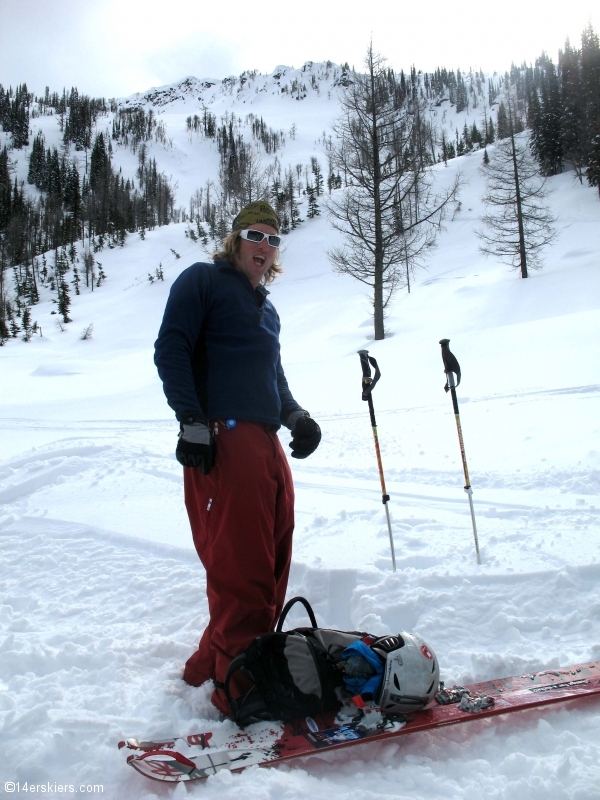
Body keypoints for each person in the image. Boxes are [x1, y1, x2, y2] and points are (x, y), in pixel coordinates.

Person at [154, 201, 321, 717]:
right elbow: (171, 347)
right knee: (240, 565)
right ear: (235, 238)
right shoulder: (203, 280)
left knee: (272, 560)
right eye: (256, 235)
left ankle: (217, 663)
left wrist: (296, 417)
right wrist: (192, 421)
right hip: (224, 438)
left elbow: (274, 376)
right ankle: (240, 688)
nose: (265, 247)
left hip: (266, 443)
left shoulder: (267, 309)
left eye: (274, 240)